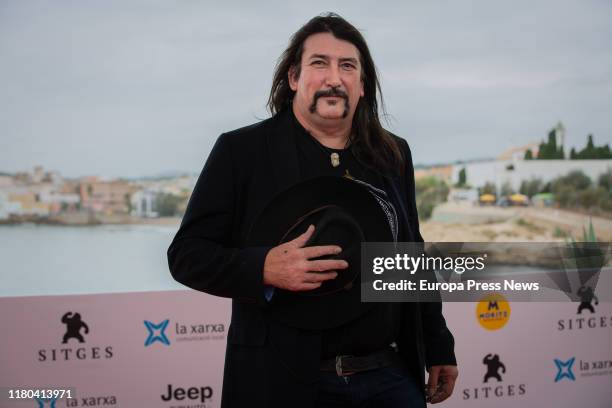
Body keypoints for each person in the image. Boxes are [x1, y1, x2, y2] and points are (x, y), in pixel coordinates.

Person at [167, 13, 457, 408]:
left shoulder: (392, 153)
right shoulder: (242, 152)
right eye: (319, 64)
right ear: (293, 78)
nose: (334, 78)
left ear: (362, 84)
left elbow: (409, 253)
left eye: (348, 66)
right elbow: (187, 255)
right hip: (284, 382)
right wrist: (264, 268)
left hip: (388, 375)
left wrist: (439, 345)